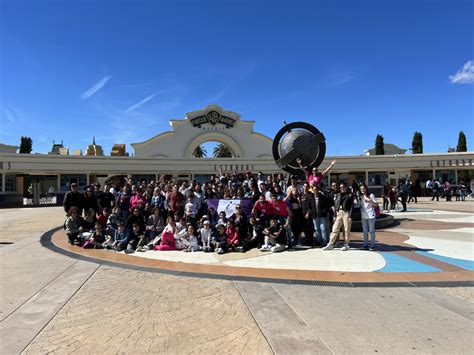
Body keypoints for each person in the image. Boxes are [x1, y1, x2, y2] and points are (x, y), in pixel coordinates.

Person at [322, 182, 353, 251]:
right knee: (335, 228)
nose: (342, 189)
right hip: (339, 212)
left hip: (346, 212)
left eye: (343, 187)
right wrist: (335, 215)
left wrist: (350, 216)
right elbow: (336, 205)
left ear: (346, 187)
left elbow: (352, 206)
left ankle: (346, 244)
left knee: (346, 229)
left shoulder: (350, 195)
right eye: (341, 187)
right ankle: (331, 243)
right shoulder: (338, 195)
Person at [359, 184, 378, 251]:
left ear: (366, 189)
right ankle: (365, 245)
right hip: (364, 215)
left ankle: (372, 245)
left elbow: (376, 204)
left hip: (371, 215)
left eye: (364, 188)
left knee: (372, 231)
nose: (362, 190)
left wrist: (370, 201)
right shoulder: (360, 196)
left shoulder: (371, 195)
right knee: (365, 231)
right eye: (361, 189)